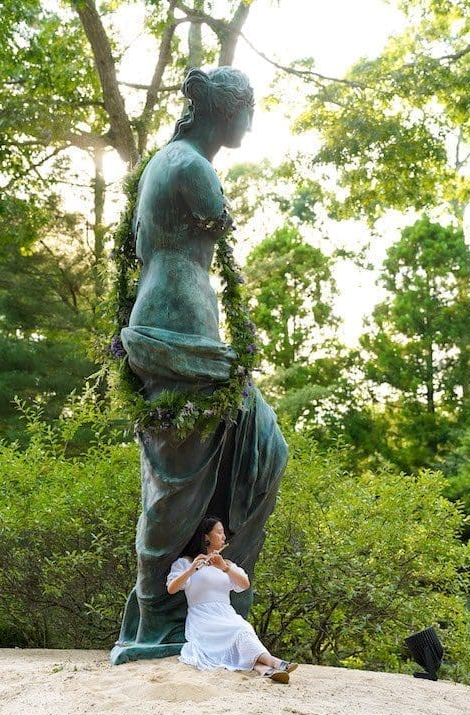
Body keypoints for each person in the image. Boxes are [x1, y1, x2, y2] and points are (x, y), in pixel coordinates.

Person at [111, 67, 288, 665]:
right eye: (249, 110)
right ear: (226, 112)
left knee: (237, 452)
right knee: (176, 482)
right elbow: (216, 227)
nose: (251, 122)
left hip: (175, 320)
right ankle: (162, 618)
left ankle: (197, 614)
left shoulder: (165, 163)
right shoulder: (190, 166)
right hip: (177, 324)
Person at [167, 517, 297, 683]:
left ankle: (264, 669)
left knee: (242, 629)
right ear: (206, 537)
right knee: (237, 630)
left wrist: (224, 568)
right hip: (203, 617)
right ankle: (276, 662)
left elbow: (245, 584)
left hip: (226, 613)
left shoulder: (226, 563)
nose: (223, 537)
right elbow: (172, 588)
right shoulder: (186, 562)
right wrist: (192, 569)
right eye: (219, 533)